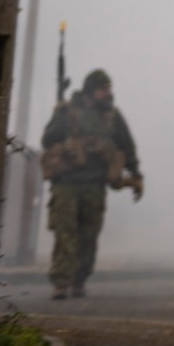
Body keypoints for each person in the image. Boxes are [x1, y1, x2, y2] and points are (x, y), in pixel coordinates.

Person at [40, 68, 142, 300]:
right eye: (103, 89)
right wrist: (67, 141)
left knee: (89, 235)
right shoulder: (66, 111)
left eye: (108, 89)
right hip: (66, 183)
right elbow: (47, 139)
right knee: (65, 233)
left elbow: (127, 145)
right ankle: (61, 282)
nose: (107, 93)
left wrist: (136, 174)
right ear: (90, 90)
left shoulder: (111, 116)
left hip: (94, 185)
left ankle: (79, 280)